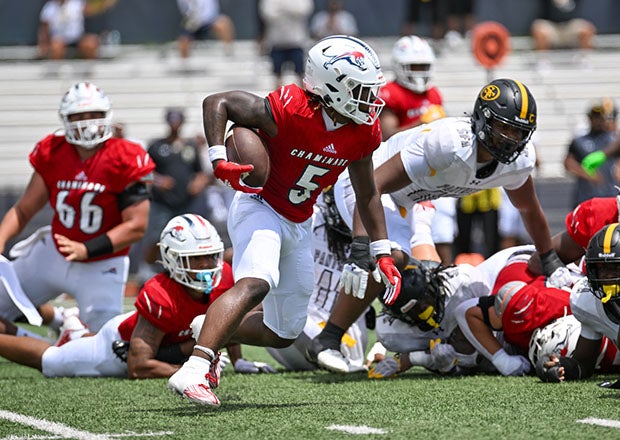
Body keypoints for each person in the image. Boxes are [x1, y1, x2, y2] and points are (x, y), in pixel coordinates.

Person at [167, 35, 401, 407]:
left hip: (299, 220)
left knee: (284, 332)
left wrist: (382, 252)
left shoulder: (362, 131)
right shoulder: (291, 108)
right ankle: (195, 368)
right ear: (332, 87)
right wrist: (217, 158)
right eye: (360, 90)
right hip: (259, 204)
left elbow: (368, 193)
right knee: (257, 284)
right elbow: (218, 102)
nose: (370, 100)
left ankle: (208, 330)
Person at [309, 78, 570, 373]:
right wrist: (361, 244)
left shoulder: (518, 160)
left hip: (408, 201)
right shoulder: (449, 143)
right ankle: (327, 340)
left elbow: (528, 208)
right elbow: (373, 187)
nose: (512, 139)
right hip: (364, 185)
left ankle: (417, 349)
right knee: (388, 261)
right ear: (483, 121)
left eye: (519, 131)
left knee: (427, 286)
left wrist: (549, 258)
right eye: (505, 128)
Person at [0, 214, 271, 379]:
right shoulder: (161, 293)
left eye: (210, 256)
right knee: (52, 361)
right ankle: (63, 331)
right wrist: (189, 367)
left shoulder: (223, 275)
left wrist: (239, 360)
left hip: (164, 339)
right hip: (116, 347)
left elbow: (227, 319)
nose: (207, 266)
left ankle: (70, 326)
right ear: (172, 260)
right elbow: (138, 367)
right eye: (196, 259)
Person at [0, 82, 155, 333]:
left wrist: (86, 249)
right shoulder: (53, 150)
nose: (87, 122)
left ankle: (54, 341)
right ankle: (57, 323)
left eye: (94, 114)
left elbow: (136, 226)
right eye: (79, 116)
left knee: (106, 345)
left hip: (102, 262)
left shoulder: (126, 156)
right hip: (53, 252)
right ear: (65, 119)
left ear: (107, 115)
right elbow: (23, 210)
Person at [265, 187, 369, 372]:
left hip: (345, 340)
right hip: (296, 335)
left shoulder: (377, 236)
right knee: (269, 294)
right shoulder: (310, 221)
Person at [379, 35, 453, 265]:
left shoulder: (433, 94)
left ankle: (443, 271)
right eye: (414, 67)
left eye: (424, 66)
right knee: (407, 229)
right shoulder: (390, 92)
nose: (420, 72)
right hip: (402, 170)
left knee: (442, 226)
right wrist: (421, 124)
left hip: (433, 168)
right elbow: (388, 134)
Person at [535, 223, 620, 382]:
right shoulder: (586, 300)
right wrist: (562, 367)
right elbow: (584, 363)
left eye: (616, 267)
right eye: (603, 267)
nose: (609, 276)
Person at [139, 108, 211, 282]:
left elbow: (200, 172)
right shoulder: (156, 146)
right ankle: (146, 270)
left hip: (186, 201)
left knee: (188, 237)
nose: (174, 124)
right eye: (171, 120)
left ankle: (185, 272)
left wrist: (199, 182)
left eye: (177, 120)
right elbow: (145, 172)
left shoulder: (190, 146)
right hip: (162, 202)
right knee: (156, 237)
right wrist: (158, 181)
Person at [564, 98, 619, 209]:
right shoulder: (580, 140)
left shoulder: (613, 139)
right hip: (586, 197)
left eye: (601, 117)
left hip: (610, 195)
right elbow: (568, 163)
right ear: (590, 118)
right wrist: (588, 174)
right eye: (595, 116)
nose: (598, 120)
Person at [259, 0, 313, 89]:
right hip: (277, 43)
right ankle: (278, 99)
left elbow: (303, 10)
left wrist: (283, 8)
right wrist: (290, 10)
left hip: (296, 42)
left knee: (301, 74)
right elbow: (268, 13)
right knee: (277, 75)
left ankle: (304, 99)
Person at [530, 0, 596, 70]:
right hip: (552, 26)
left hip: (570, 26)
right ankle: (542, 61)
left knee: (587, 29)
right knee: (538, 28)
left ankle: (584, 60)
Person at [37, 0, 101, 60]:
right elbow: (44, 30)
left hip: (78, 38)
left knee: (90, 44)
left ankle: (89, 70)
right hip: (59, 40)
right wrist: (43, 45)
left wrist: (104, 3)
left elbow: (91, 10)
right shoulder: (49, 8)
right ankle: (56, 70)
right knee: (56, 47)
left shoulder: (77, 3)